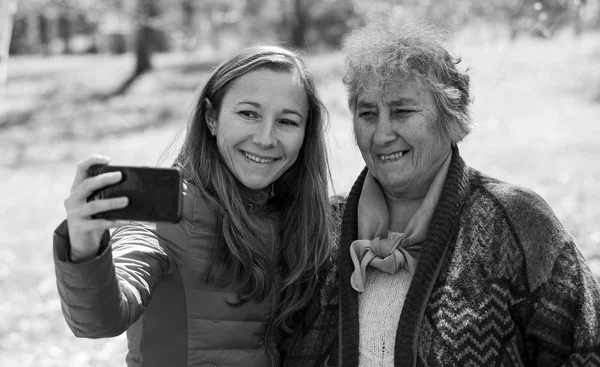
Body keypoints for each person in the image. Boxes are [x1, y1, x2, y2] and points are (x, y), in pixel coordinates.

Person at [281, 18, 600, 367]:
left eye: (402, 111)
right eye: (367, 113)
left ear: (450, 116)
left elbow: (586, 350)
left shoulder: (518, 221)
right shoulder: (319, 227)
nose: (381, 134)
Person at [53, 45, 335, 367]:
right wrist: (86, 249)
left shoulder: (302, 220)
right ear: (211, 117)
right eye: (248, 114)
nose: (266, 138)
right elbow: (99, 320)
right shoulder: (170, 211)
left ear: (305, 134)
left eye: (287, 121)